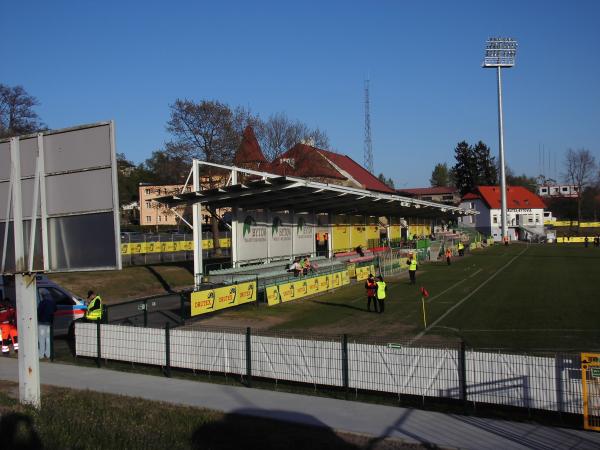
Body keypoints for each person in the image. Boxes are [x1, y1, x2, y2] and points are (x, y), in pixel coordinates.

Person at [37, 291, 57, 359]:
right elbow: (55, 310)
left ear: (43, 296)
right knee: (48, 339)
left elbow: (39, 312)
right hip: (49, 323)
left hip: (42, 323)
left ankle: (41, 355)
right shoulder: (52, 302)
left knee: (42, 339)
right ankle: (48, 354)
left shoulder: (42, 303)